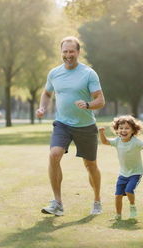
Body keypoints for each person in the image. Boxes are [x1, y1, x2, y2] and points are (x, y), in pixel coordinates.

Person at [36, 36, 105, 216]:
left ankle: (97, 200)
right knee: (54, 154)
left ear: (78, 52)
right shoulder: (54, 73)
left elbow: (100, 100)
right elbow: (46, 93)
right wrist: (42, 106)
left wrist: (89, 105)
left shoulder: (89, 73)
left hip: (86, 125)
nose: (68, 55)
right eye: (65, 52)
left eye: (71, 51)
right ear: (61, 52)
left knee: (90, 165)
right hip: (62, 123)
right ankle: (57, 202)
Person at [99, 115, 143, 220]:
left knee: (129, 190)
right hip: (123, 173)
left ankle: (132, 206)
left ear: (133, 130)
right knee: (118, 196)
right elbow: (105, 142)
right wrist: (101, 133)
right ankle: (118, 215)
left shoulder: (136, 142)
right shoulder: (117, 141)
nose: (123, 130)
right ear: (117, 130)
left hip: (136, 173)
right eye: (121, 128)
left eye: (127, 128)